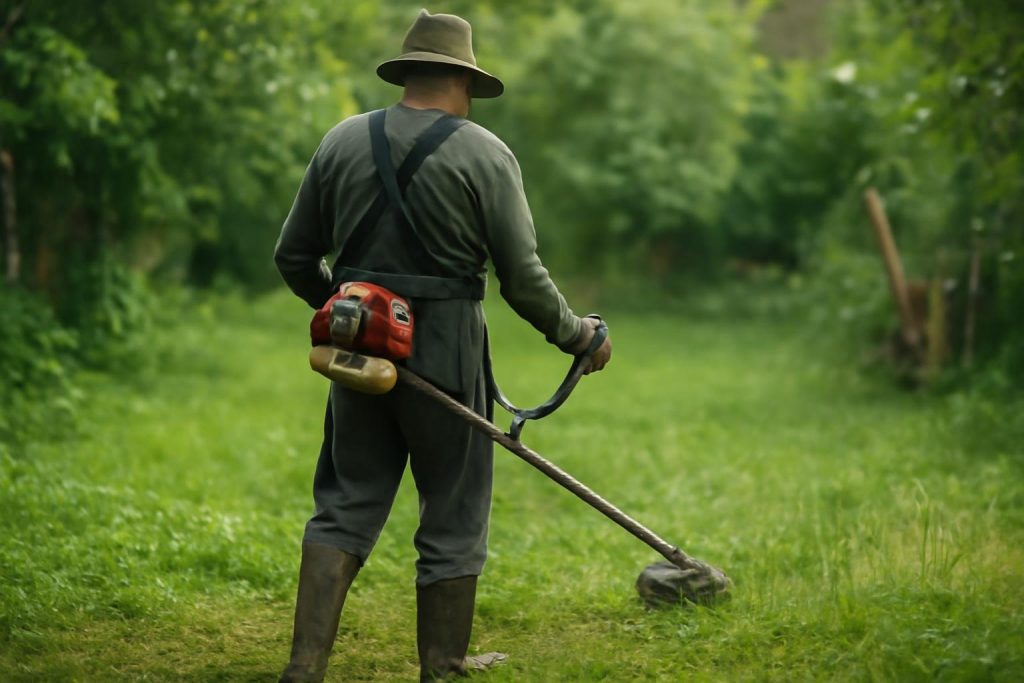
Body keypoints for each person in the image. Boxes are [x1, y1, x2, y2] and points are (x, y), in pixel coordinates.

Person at [273, 9, 612, 682]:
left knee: (345, 503)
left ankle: (304, 666)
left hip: (357, 360)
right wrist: (579, 335)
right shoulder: (485, 153)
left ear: (409, 72)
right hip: (449, 355)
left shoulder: (342, 140)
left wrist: (350, 315)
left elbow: (293, 255)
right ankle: (444, 668)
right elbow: (523, 279)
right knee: (453, 514)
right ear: (463, 79)